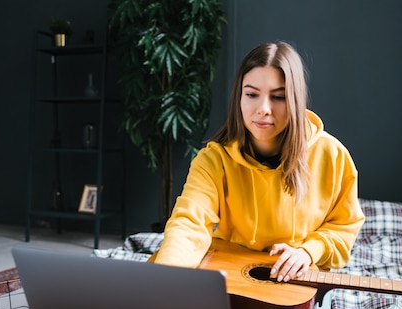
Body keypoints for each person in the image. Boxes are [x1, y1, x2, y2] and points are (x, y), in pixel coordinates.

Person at [154, 41, 365, 282]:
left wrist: (309, 250)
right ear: (239, 98)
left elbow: (344, 228)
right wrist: (164, 280)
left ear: (295, 100)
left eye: (278, 97)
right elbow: (188, 224)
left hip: (299, 283)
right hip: (232, 274)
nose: (263, 108)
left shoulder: (333, 155)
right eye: (252, 94)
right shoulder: (213, 159)